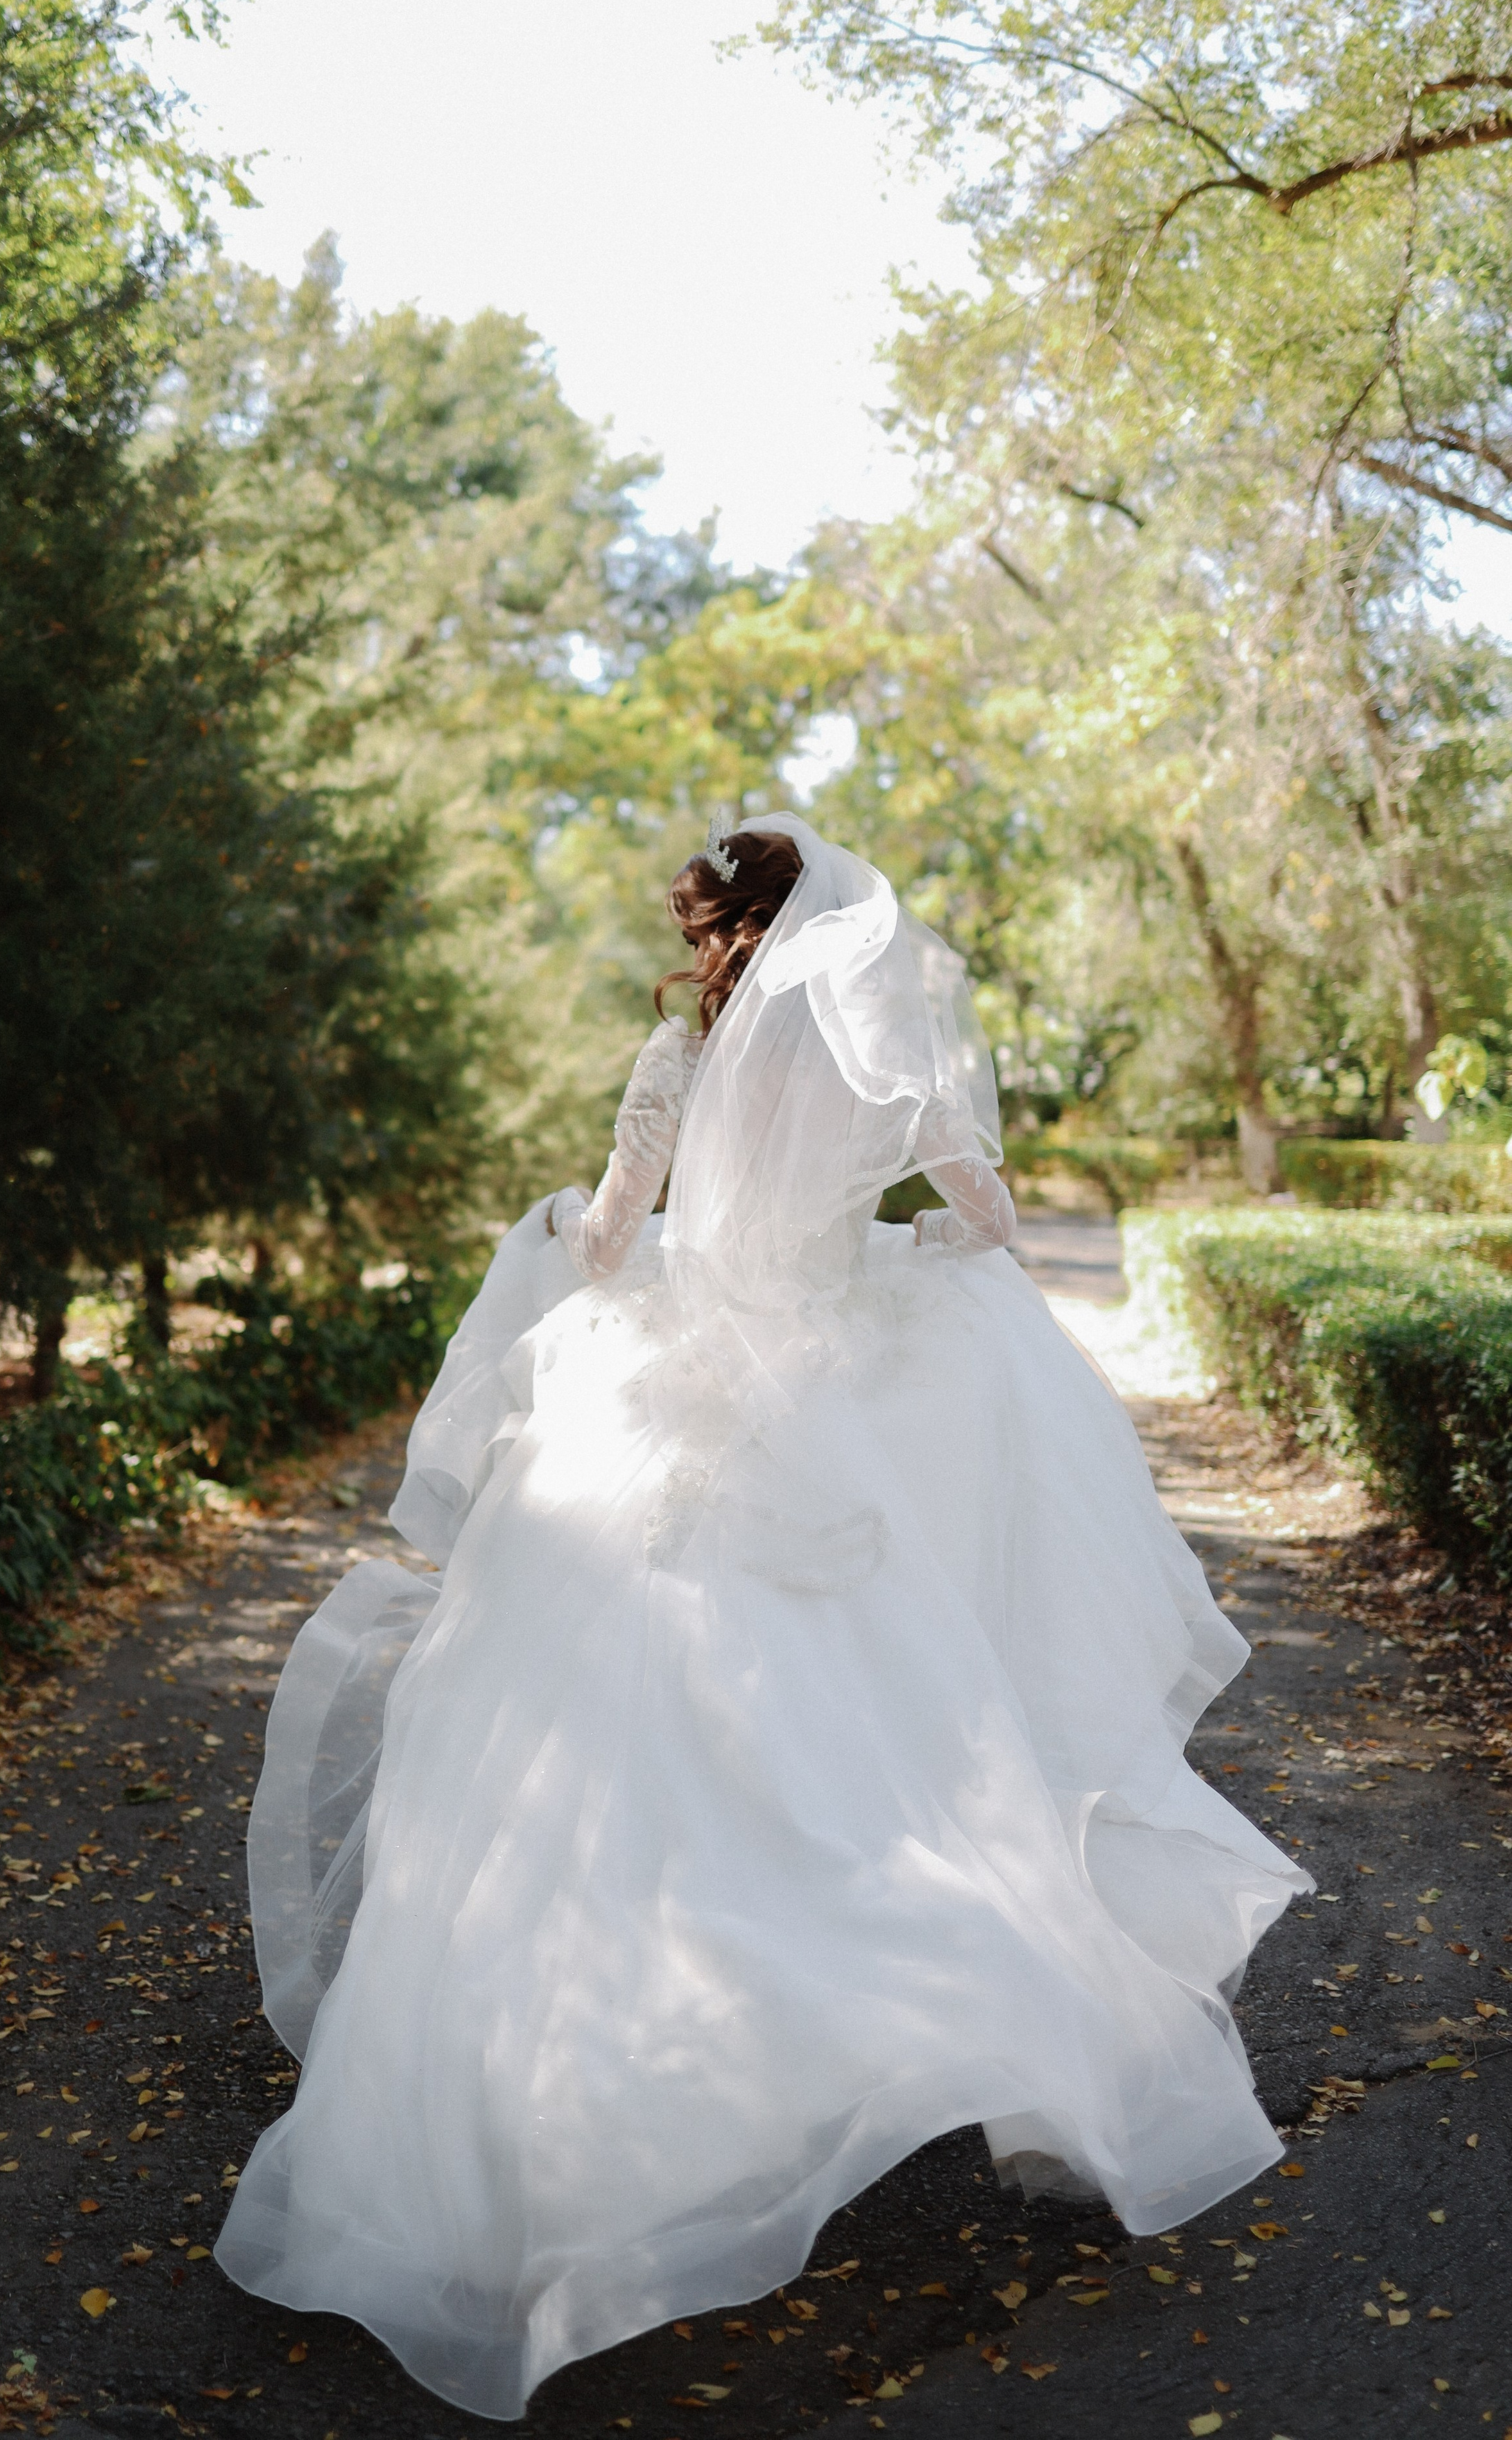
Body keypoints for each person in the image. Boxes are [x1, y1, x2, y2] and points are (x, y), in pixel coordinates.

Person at [215, 813, 1306, 2421]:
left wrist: (556, 1242)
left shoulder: (671, 1056)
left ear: (715, 927)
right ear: (833, 928)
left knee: (609, 1732)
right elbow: (991, 1223)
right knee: (881, 1730)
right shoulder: (885, 1060)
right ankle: (894, 2006)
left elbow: (605, 1243)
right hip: (833, 1404)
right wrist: (920, 1246)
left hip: (671, 1399)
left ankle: (616, 2076)